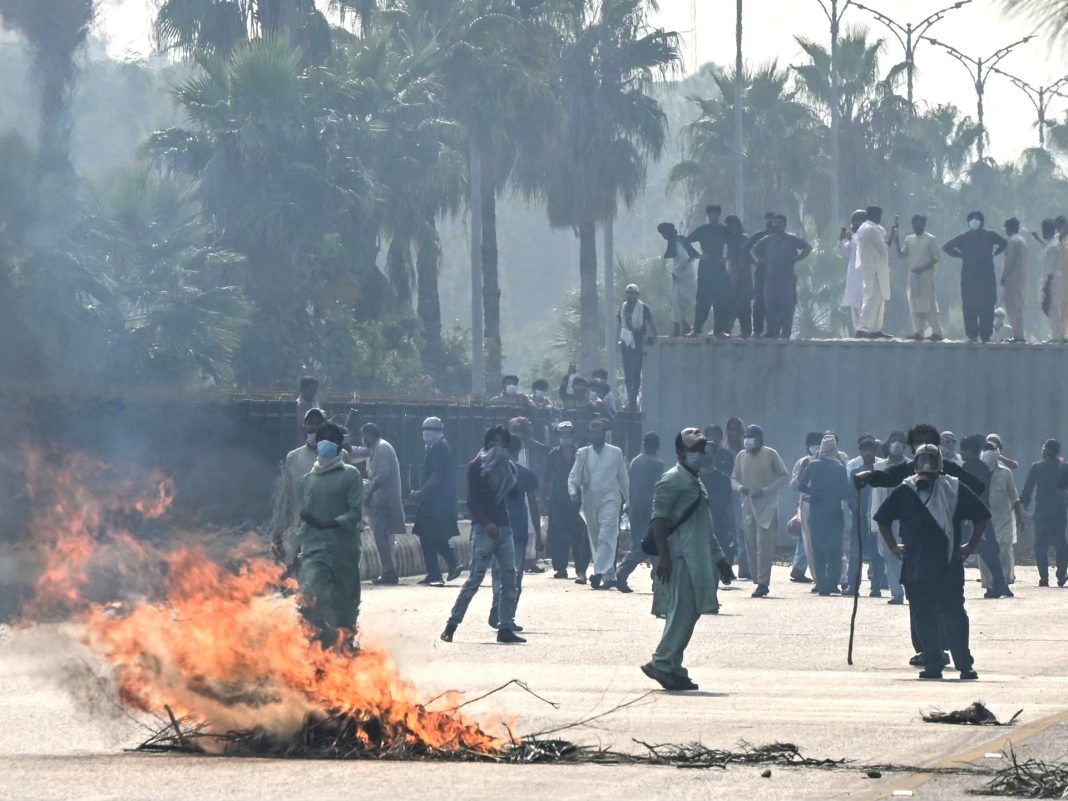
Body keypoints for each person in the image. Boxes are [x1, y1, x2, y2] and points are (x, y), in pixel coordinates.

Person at [874, 444, 989, 680]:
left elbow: (981, 516)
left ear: (939, 463)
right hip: (916, 565)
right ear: (915, 463)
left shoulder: (954, 488)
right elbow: (882, 518)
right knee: (923, 616)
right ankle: (933, 663)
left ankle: (964, 665)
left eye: (931, 460)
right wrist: (893, 545)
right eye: (922, 460)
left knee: (954, 615)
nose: (926, 466)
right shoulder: (905, 489)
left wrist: (971, 546)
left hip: (948, 564)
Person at [642, 428, 735, 691]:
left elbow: (705, 527)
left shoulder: (695, 481)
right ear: (680, 452)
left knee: (688, 614)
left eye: (701, 449)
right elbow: (658, 520)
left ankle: (673, 665)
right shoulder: (671, 480)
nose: (698, 454)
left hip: (697, 559)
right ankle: (662, 661)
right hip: (680, 559)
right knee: (681, 614)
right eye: (693, 449)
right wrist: (664, 557)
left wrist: (720, 559)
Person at [441, 425, 524, 645]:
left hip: (504, 528)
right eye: (494, 443)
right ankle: (452, 625)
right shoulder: (477, 466)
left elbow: (514, 495)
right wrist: (486, 523)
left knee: (509, 579)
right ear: (486, 444)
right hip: (484, 531)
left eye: (503, 444)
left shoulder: (507, 468)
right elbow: (472, 501)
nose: (498, 448)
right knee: (475, 579)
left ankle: (505, 626)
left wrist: (511, 473)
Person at [297, 423, 364, 649]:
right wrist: (294, 548)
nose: (325, 441)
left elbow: (355, 512)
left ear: (338, 446)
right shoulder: (307, 480)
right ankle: (316, 646)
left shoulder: (350, 475)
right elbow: (302, 518)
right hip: (314, 551)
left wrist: (330, 523)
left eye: (331, 438)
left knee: (345, 605)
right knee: (310, 597)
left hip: (343, 551)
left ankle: (345, 645)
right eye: (321, 437)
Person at [568, 418, 629, 589]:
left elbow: (623, 478)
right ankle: (608, 576)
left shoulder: (615, 452)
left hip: (611, 500)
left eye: (598, 432)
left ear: (604, 435)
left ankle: (599, 572)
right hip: (589, 502)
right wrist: (573, 492)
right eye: (592, 432)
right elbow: (573, 477)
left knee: (606, 535)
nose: (595, 435)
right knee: (596, 540)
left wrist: (628, 499)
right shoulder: (583, 453)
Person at [731, 424, 789, 597]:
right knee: (751, 545)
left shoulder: (770, 454)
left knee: (764, 545)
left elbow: (784, 476)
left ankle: (763, 583)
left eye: (752, 436)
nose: (748, 439)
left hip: (767, 506)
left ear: (760, 438)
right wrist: (740, 488)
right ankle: (757, 579)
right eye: (746, 436)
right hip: (748, 506)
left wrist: (765, 490)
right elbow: (734, 478)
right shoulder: (741, 456)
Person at [490, 436, 541, 630]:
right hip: (517, 531)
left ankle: (497, 604)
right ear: (518, 452)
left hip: (495, 529)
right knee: (514, 576)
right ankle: (507, 616)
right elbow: (534, 506)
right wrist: (538, 535)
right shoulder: (525, 474)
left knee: (497, 571)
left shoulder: (489, 472)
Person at [798, 434, 854, 595]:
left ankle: (822, 585)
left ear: (822, 450)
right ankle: (832, 584)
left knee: (818, 550)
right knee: (835, 551)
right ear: (835, 451)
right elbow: (845, 492)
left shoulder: (813, 465)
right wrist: (832, 495)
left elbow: (801, 485)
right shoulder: (840, 468)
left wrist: (814, 493)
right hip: (835, 513)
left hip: (816, 513)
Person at [351, 423, 406, 586]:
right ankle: (389, 571)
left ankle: (389, 572)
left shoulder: (381, 448)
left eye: (364, 435)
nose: (363, 439)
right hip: (382, 499)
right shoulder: (377, 447)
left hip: (383, 499)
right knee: (384, 537)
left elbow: (381, 476)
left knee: (381, 537)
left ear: (368, 434)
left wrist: (368, 494)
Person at [942, 211, 1008, 343]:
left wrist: (994, 252)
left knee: (986, 307)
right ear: (968, 222)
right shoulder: (964, 237)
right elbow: (946, 247)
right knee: (970, 306)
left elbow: (1003, 243)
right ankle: (973, 335)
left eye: (976, 219)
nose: (973, 221)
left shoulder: (989, 236)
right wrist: (960, 255)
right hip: (971, 277)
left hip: (983, 277)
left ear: (982, 222)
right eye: (971, 219)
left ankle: (985, 335)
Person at [411, 417, 462, 586]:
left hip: (437, 500)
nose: (426, 432)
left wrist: (421, 492)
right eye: (424, 428)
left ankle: (450, 565)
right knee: (428, 535)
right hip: (434, 499)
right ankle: (436, 572)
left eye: (429, 429)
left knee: (431, 534)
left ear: (438, 432)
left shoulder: (440, 448)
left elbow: (437, 475)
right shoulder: (434, 447)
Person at [959, 434, 1011, 599]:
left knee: (960, 549)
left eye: (963, 450)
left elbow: (971, 492)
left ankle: (998, 584)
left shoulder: (969, 467)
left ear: (969, 450)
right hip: (982, 514)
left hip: (972, 515)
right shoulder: (981, 467)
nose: (961, 453)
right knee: (989, 552)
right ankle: (1000, 584)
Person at [273, 407, 326, 569]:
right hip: (301, 526)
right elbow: (287, 496)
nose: (315, 427)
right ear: (305, 427)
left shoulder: (339, 456)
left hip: (329, 527)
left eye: (319, 423)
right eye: (311, 423)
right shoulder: (293, 458)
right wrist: (279, 529)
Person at [616, 432, 666, 593]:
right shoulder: (658, 464)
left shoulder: (635, 462)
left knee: (639, 541)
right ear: (657, 446)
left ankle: (625, 572)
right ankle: (656, 579)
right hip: (650, 508)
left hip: (634, 507)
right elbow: (658, 487)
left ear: (644, 444)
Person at [751, 214, 813, 339]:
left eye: (779, 222)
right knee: (770, 305)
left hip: (787, 279)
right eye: (775, 223)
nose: (776, 225)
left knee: (787, 306)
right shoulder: (767, 239)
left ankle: (786, 333)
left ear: (784, 225)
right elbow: (754, 249)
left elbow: (808, 247)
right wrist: (764, 261)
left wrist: (796, 259)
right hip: (771, 278)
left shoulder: (791, 239)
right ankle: (770, 332)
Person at [543, 422, 591, 582]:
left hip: (577, 499)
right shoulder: (552, 455)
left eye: (568, 433)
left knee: (578, 534)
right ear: (558, 436)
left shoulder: (581, 453)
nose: (565, 437)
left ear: (573, 434)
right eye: (562, 434)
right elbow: (547, 479)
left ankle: (580, 568)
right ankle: (560, 568)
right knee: (559, 535)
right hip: (558, 500)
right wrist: (545, 499)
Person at [868, 430, 909, 604]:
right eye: (894, 441)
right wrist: (873, 523)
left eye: (901, 441)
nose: (897, 444)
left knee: (908, 554)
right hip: (886, 518)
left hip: (907, 518)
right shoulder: (879, 467)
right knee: (890, 554)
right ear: (888, 444)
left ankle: (910, 589)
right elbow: (874, 497)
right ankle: (896, 592)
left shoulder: (911, 466)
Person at [1020, 438, 1068, 587]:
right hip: (1059, 511)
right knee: (1061, 542)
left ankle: (1044, 578)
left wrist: (1024, 505)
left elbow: (1027, 489)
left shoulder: (1037, 467)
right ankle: (1061, 574)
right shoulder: (1064, 467)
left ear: (1045, 451)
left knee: (1040, 545)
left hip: (1042, 512)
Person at [845, 435, 887, 597]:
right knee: (855, 553)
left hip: (877, 518)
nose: (868, 453)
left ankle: (875, 587)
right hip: (859, 518)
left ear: (875, 451)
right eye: (865, 450)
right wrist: (857, 510)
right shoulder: (855, 473)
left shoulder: (880, 472)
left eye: (871, 450)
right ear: (860, 452)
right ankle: (853, 586)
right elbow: (850, 495)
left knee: (877, 553)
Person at [980, 440, 1023, 593]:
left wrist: (1019, 518)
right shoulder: (978, 471)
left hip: (1003, 520)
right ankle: (991, 586)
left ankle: (1004, 583)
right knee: (985, 553)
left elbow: (1014, 497)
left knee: (1004, 551)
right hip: (983, 521)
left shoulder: (1005, 473)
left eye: (992, 450)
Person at [685, 204, 732, 338]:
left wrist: (727, 257)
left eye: (716, 214)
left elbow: (734, 245)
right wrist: (698, 255)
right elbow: (685, 242)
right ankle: (696, 329)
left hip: (719, 266)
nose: (714, 216)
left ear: (719, 215)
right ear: (708, 215)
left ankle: (719, 330)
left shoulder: (724, 230)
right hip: (705, 266)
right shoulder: (702, 230)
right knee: (702, 298)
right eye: (712, 214)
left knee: (720, 298)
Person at [897, 214, 944, 341]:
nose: (916, 226)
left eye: (919, 223)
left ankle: (937, 332)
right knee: (914, 303)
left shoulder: (930, 239)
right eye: (914, 224)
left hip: (926, 277)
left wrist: (922, 268)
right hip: (913, 277)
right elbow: (902, 254)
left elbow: (936, 258)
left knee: (929, 304)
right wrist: (896, 241)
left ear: (924, 224)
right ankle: (918, 331)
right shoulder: (909, 239)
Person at [790, 432, 825, 586]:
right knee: (807, 537)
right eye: (814, 443)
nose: (817, 446)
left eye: (820, 442)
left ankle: (799, 567)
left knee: (813, 538)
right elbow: (794, 485)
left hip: (825, 504)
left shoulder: (828, 461)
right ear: (807, 446)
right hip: (807, 503)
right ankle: (815, 574)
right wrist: (802, 473)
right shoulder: (803, 462)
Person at [855, 205, 895, 339]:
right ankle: (863, 328)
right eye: (878, 216)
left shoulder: (864, 228)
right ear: (873, 216)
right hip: (875, 269)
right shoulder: (872, 229)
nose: (880, 218)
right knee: (872, 298)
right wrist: (892, 236)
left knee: (879, 297)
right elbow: (884, 248)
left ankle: (875, 329)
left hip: (871, 268)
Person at [701, 424, 738, 565]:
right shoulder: (693, 478)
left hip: (719, 521)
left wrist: (732, 528)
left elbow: (728, 506)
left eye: (708, 453)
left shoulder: (723, 479)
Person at [618, 284, 658, 410]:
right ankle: (631, 401)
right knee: (628, 372)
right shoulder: (623, 307)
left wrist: (656, 338)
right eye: (628, 293)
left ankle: (633, 402)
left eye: (632, 293)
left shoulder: (643, 307)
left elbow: (651, 323)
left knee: (636, 372)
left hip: (638, 342)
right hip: (626, 342)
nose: (630, 295)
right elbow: (620, 323)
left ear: (637, 294)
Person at [659, 221, 700, 337]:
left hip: (684, 276)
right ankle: (683, 327)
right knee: (676, 302)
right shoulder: (678, 240)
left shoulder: (676, 242)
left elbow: (685, 258)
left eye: (663, 234)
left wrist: (675, 272)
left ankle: (679, 328)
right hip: (684, 275)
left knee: (676, 302)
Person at [743, 213, 777, 337]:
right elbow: (745, 250)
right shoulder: (760, 236)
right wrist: (757, 262)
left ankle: (773, 330)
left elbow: (791, 255)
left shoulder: (782, 238)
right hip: (762, 272)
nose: (771, 223)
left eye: (773, 220)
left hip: (777, 274)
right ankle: (758, 330)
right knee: (759, 301)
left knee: (774, 301)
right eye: (769, 220)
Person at [725, 416, 751, 578]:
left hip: (742, 495)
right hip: (727, 496)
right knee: (728, 532)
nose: (734, 433)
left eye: (737, 429)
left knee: (743, 532)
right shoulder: (724, 452)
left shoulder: (746, 452)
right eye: (731, 429)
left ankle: (745, 568)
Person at [724, 215, 753, 337]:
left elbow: (744, 258)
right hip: (733, 274)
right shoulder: (731, 239)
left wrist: (736, 274)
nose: (730, 228)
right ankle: (728, 329)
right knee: (732, 303)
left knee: (742, 304)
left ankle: (745, 331)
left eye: (731, 225)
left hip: (742, 276)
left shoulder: (743, 238)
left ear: (736, 225)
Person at [1001, 218, 1028, 343]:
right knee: (1018, 307)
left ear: (1009, 228)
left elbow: (1009, 262)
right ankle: (1019, 334)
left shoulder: (1012, 241)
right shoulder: (1022, 241)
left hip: (1012, 279)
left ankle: (1018, 335)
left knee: (1011, 306)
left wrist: (1003, 276)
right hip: (1021, 278)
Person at [841, 209, 868, 331]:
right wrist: (844, 240)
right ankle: (858, 329)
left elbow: (861, 250)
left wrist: (851, 240)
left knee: (865, 300)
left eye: (860, 221)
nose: (858, 224)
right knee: (854, 301)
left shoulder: (867, 235)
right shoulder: (853, 237)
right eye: (856, 221)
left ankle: (865, 328)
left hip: (865, 273)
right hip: (853, 274)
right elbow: (845, 252)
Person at [1040, 219, 1064, 342]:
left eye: (1044, 229)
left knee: (1053, 307)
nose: (1043, 231)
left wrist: (1047, 286)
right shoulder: (1050, 244)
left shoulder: (1054, 246)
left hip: (1052, 280)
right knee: (1050, 308)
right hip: (1050, 280)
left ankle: (1057, 335)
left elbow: (1051, 267)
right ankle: (1056, 334)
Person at [296, 376, 319, 445]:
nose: (313, 393)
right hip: (302, 444)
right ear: (303, 389)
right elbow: (304, 425)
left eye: (315, 391)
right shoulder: (298, 406)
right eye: (311, 390)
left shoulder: (315, 404)